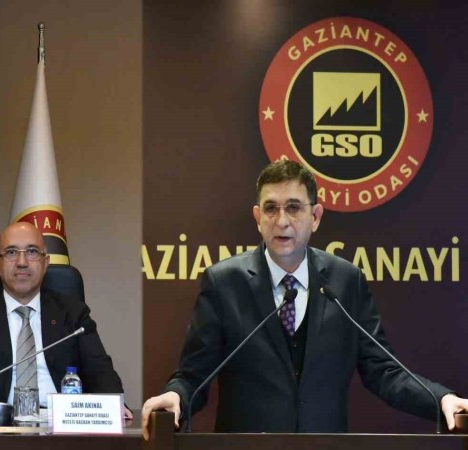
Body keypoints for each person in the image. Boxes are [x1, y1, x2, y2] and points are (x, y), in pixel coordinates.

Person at [141, 160, 468, 437]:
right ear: (258, 218)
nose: (282, 221)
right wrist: (176, 396)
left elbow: (383, 371)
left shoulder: (345, 281)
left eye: (294, 208)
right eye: (271, 208)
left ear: (316, 217)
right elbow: (194, 375)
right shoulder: (225, 283)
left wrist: (440, 399)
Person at [0, 222, 132, 418]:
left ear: (46, 262)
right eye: (11, 252)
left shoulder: (74, 314)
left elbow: (100, 370)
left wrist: (115, 405)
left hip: (62, 423)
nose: (22, 262)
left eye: (32, 251)